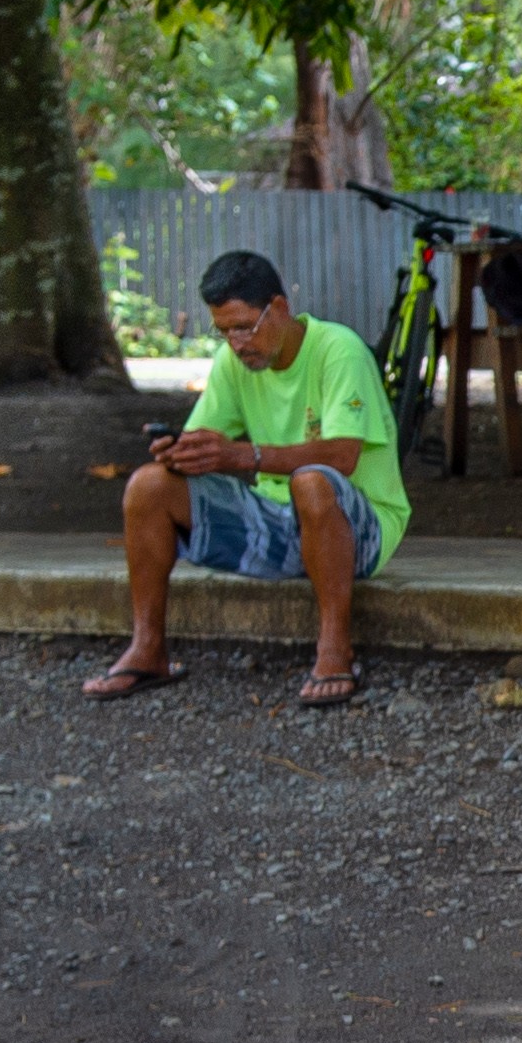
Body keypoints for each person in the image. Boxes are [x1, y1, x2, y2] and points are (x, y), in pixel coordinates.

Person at [83, 249, 407, 709]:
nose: (236, 343)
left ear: (279, 309)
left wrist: (243, 455)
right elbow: (207, 438)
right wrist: (182, 453)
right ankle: (147, 650)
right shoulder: (233, 363)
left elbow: (343, 456)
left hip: (357, 530)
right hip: (277, 524)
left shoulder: (340, 349)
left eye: (244, 327)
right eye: (223, 331)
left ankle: (335, 650)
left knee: (312, 481)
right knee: (148, 485)